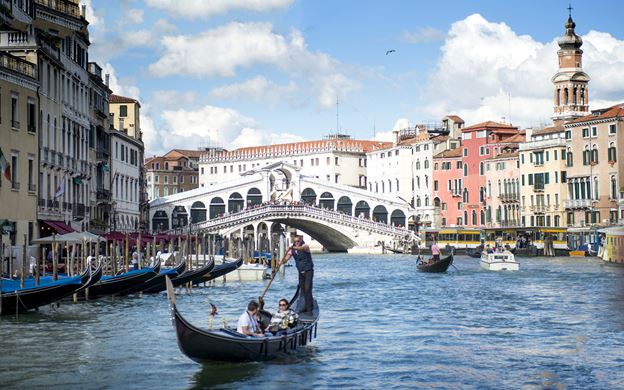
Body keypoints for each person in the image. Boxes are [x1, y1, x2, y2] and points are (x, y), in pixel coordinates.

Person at [283, 234, 314, 314]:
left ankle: (309, 308)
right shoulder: (292, 249)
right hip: (300, 271)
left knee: (308, 289)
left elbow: (302, 248)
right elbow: (287, 257)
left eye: (298, 241)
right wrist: (282, 261)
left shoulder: (305, 246)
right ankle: (305, 306)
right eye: (295, 241)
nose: (296, 243)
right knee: (303, 290)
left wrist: (292, 247)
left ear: (301, 240)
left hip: (308, 271)